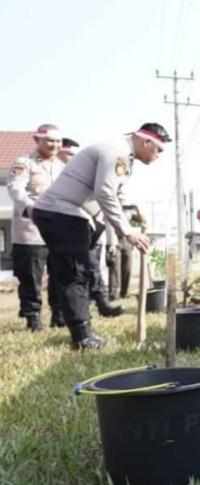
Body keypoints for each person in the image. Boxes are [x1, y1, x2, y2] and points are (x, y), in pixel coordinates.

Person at [32, 123, 170, 350]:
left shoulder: (122, 152)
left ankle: (82, 329)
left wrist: (134, 209)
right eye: (159, 150)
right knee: (74, 273)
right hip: (60, 213)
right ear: (146, 142)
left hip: (65, 213)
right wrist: (127, 231)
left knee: (78, 272)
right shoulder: (119, 152)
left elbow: (115, 191)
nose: (158, 156)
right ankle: (82, 336)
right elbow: (104, 192)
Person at [7, 124, 65, 331]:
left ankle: (59, 316)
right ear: (37, 140)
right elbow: (15, 187)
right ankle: (32, 318)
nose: (54, 144)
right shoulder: (25, 162)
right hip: (30, 229)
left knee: (59, 274)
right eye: (50, 140)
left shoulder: (61, 166)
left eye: (58, 141)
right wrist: (30, 207)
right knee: (31, 277)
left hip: (56, 228)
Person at [57, 137, 123, 315]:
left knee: (93, 268)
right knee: (70, 272)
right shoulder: (57, 173)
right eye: (67, 153)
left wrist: (111, 241)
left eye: (73, 154)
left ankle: (102, 304)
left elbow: (106, 205)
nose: (70, 157)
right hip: (66, 227)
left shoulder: (87, 173)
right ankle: (63, 312)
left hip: (92, 228)